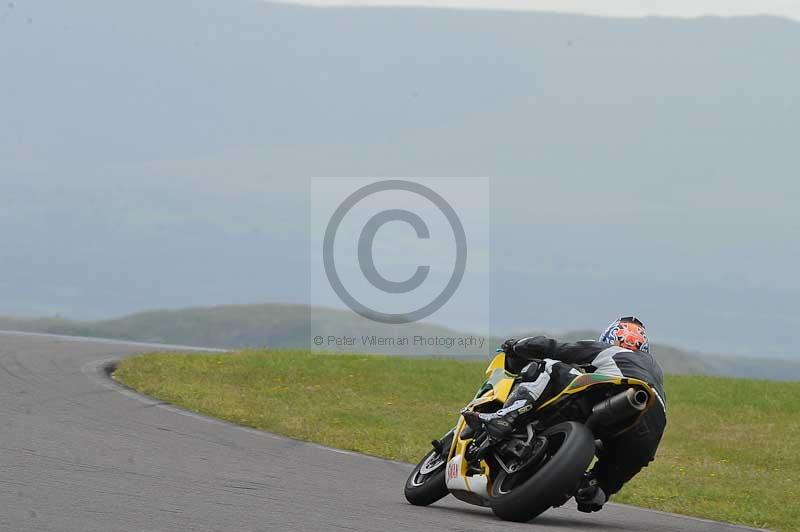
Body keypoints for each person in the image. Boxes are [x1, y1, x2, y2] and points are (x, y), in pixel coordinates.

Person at [463, 316, 667, 513]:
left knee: (550, 365)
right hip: (652, 426)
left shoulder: (609, 349)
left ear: (608, 337)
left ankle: (504, 417)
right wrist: (604, 487)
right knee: (612, 472)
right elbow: (639, 455)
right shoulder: (656, 371)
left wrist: (517, 346)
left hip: (613, 392)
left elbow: (555, 348)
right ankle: (596, 490)